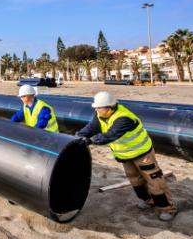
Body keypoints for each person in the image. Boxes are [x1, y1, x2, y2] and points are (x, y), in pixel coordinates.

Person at [76, 91, 177, 221]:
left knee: (154, 180)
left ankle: (167, 209)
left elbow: (110, 135)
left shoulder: (124, 118)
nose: (96, 110)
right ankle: (148, 201)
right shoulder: (101, 114)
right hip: (125, 155)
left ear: (109, 108)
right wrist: (79, 135)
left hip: (142, 154)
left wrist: (90, 141)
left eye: (98, 107)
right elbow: (91, 127)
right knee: (135, 180)